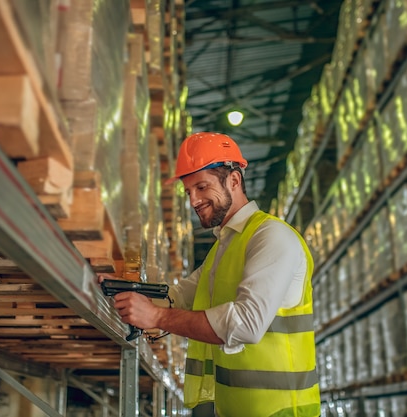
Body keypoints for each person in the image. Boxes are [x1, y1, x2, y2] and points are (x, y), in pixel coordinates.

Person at [104, 132, 320, 417]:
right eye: (189, 191)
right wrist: (120, 288)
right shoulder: (225, 247)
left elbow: (247, 324)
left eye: (202, 187)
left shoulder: (272, 237)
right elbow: (179, 295)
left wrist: (155, 317)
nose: (194, 201)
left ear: (234, 180)